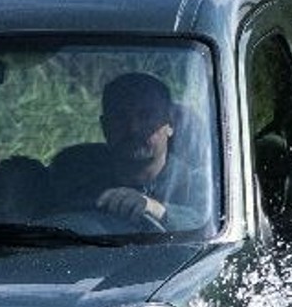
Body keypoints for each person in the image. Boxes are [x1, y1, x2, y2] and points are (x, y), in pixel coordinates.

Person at [49, 71, 210, 229]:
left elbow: (209, 226)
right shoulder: (75, 178)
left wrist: (158, 211)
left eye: (146, 116)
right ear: (105, 127)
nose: (133, 128)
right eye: (120, 117)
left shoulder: (198, 184)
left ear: (170, 125)